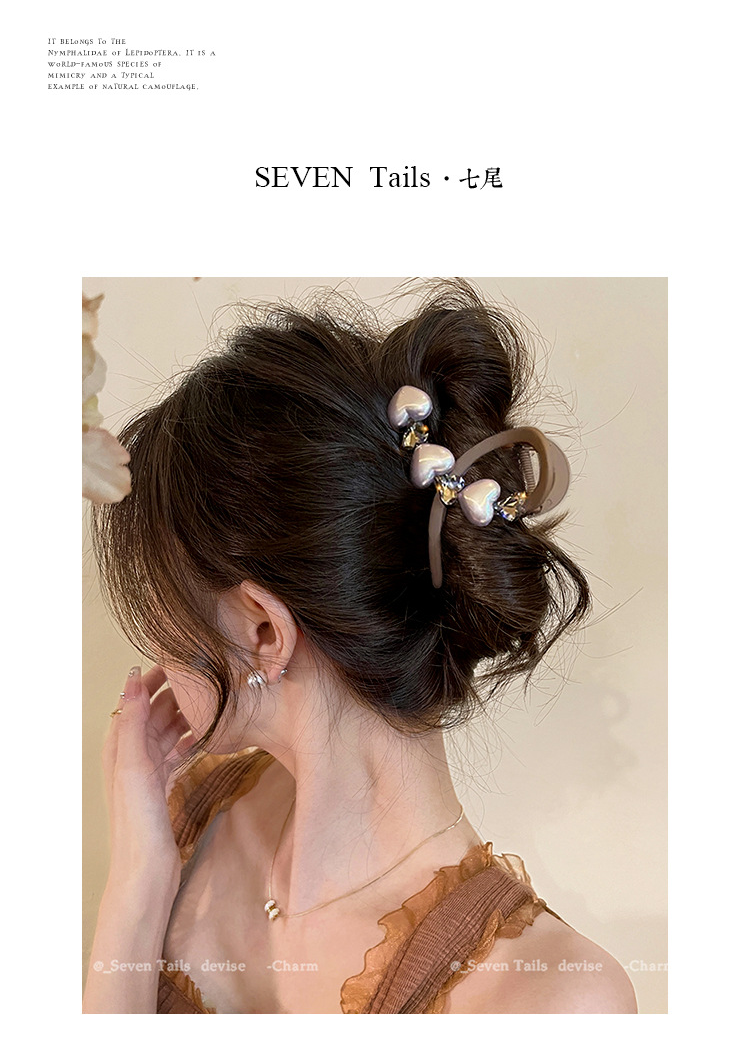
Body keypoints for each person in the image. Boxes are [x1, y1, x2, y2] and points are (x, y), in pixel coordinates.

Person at [83, 279, 637, 1014]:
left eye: (162, 609)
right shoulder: (190, 817)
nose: (155, 651)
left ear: (264, 630)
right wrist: (137, 884)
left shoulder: (548, 1000)